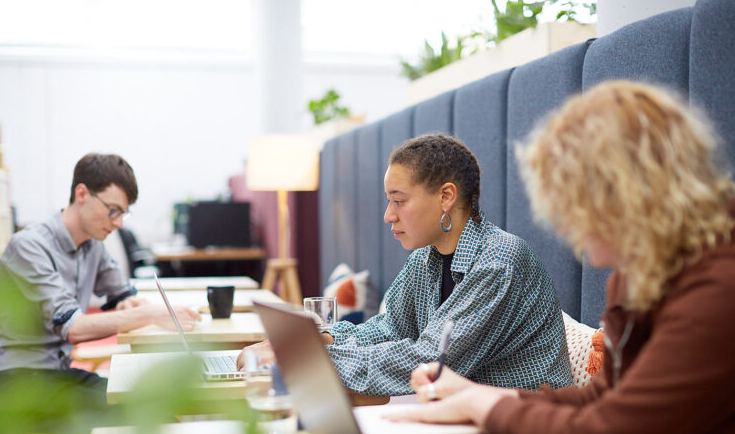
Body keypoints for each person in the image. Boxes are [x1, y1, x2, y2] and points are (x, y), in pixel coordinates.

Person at [391, 81, 735, 434]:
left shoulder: (729, 292)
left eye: (575, 207)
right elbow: (608, 398)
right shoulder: (653, 269)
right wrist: (477, 397)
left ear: (626, 192)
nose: (571, 231)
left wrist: (484, 405)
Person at [240, 133, 571, 396]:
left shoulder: (499, 264)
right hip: (463, 418)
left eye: (399, 201)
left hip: (527, 429)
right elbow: (390, 329)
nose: (388, 216)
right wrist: (322, 340)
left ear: (446, 197)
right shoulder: (426, 258)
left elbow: (429, 361)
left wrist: (308, 358)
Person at [0, 153, 200, 415]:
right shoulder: (29, 246)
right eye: (113, 210)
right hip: (17, 384)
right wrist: (151, 313)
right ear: (82, 194)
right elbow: (75, 328)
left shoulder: (91, 244)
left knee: (150, 405)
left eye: (123, 213)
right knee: (143, 413)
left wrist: (129, 303)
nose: (118, 223)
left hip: (56, 374)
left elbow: (121, 294)